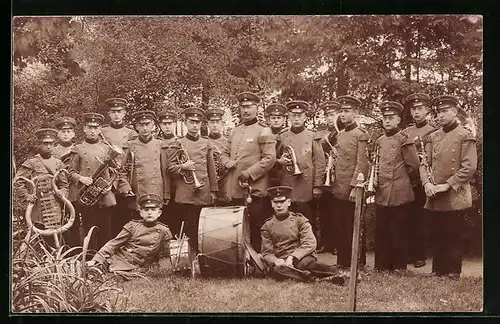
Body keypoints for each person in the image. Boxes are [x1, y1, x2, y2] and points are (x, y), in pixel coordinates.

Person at [420, 95, 477, 279]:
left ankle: (453, 271)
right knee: (437, 232)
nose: (441, 115)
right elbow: (424, 163)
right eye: (439, 112)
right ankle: (438, 270)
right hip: (434, 191)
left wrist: (448, 184)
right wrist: (426, 183)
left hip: (454, 192)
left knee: (453, 232)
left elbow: (469, 167)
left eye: (445, 111)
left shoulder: (465, 135)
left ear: (455, 112)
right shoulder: (433, 136)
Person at [219, 91, 276, 253]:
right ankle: (238, 260)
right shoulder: (234, 131)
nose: (246, 110)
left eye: (250, 106)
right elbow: (223, 153)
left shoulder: (264, 131)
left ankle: (258, 260)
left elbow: (270, 159)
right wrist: (226, 161)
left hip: (254, 190)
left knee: (256, 226)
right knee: (236, 228)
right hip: (234, 190)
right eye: (243, 106)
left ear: (257, 108)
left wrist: (249, 173)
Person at [260, 186, 347, 284]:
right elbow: (267, 252)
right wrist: (275, 260)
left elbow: (310, 243)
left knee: (306, 264)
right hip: (282, 261)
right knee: (277, 271)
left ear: (288, 202)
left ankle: (337, 273)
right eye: (276, 202)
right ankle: (316, 279)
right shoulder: (267, 226)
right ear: (272, 204)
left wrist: (292, 257)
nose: (279, 205)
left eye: (282, 202)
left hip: (300, 257)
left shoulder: (300, 220)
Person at [373, 101, 420, 272]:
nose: (387, 121)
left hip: (400, 191)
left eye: (391, 118)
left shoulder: (404, 139)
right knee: (382, 229)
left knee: (399, 230)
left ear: (398, 120)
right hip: (382, 190)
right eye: (385, 118)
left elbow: (414, 165)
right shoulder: (379, 140)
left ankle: (399, 265)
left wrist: (401, 180)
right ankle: (382, 265)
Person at [166, 107, 218, 251]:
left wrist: (213, 190)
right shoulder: (178, 143)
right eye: (192, 122)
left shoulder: (206, 142)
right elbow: (170, 168)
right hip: (185, 191)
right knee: (186, 225)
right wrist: (183, 166)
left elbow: (211, 168)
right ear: (185, 123)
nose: (195, 125)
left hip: (203, 190)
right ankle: (184, 256)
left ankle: (202, 254)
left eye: (198, 122)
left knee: (203, 226)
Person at [86, 194, 173, 274]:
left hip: (140, 265)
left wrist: (164, 269)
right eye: (146, 210)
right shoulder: (132, 226)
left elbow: (165, 254)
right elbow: (114, 244)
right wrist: (97, 259)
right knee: (95, 269)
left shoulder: (164, 230)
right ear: (141, 213)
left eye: (153, 210)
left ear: (159, 213)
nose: (149, 213)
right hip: (122, 259)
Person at [66, 113, 117, 250]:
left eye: (96, 127)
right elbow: (70, 172)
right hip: (87, 196)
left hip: (105, 195)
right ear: (84, 129)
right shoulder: (78, 148)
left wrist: (110, 185)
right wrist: (81, 178)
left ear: (100, 129)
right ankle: (90, 257)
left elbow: (115, 171)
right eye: (90, 127)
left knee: (106, 229)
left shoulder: (106, 148)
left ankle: (104, 259)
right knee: (90, 229)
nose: (93, 131)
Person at [275, 100, 325, 233]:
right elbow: (275, 159)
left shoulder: (312, 136)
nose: (296, 118)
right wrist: (280, 161)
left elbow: (320, 162)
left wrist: (317, 185)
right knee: (288, 221)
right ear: (289, 117)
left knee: (308, 220)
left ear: (305, 117)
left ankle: (310, 248)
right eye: (293, 115)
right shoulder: (283, 136)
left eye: (300, 115)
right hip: (288, 184)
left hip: (307, 185)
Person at [14, 128, 69, 247]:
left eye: (51, 144)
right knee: (39, 237)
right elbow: (18, 181)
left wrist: (62, 193)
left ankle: (56, 260)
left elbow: (64, 184)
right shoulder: (31, 163)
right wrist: (27, 196)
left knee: (56, 236)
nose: (48, 147)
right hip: (38, 207)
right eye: (45, 144)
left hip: (55, 206)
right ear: (39, 145)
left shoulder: (58, 163)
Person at [331, 95, 369, 268]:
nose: (343, 115)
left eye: (347, 111)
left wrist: (355, 187)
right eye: (342, 111)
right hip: (339, 187)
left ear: (356, 113)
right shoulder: (340, 135)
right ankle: (343, 261)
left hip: (352, 188)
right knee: (340, 225)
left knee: (353, 226)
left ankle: (357, 262)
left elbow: (362, 162)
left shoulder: (360, 135)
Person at [117, 110, 171, 231]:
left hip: (156, 191)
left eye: (147, 124)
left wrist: (166, 193)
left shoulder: (160, 144)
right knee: (138, 228)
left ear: (153, 125)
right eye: (141, 125)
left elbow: (165, 171)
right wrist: (126, 188)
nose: (145, 128)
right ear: (136, 126)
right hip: (137, 193)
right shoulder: (130, 145)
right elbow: (121, 171)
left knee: (158, 228)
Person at [402, 93, 436, 268]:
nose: (416, 112)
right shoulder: (406, 131)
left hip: (423, 179)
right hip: (407, 179)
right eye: (413, 109)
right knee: (407, 217)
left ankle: (419, 255)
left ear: (427, 111)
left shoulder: (433, 131)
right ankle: (408, 253)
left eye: (420, 109)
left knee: (420, 218)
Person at [316, 100, 343, 254]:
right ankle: (327, 243)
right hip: (325, 175)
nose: (329, 119)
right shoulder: (321, 134)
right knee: (325, 212)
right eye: (327, 116)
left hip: (339, 178)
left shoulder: (343, 132)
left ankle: (338, 245)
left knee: (338, 212)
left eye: (332, 115)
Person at [156, 108, 179, 232]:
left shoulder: (180, 142)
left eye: (170, 123)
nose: (167, 126)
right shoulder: (156, 142)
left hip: (178, 185)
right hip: (161, 184)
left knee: (178, 215)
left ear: (175, 124)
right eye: (164, 124)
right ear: (160, 125)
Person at [205, 107, 230, 204]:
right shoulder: (203, 142)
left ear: (222, 124)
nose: (215, 125)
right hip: (209, 184)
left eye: (217, 122)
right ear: (207, 124)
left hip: (226, 184)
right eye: (212, 122)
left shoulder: (229, 142)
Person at [265, 102, 287, 187]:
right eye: (273, 118)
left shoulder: (288, 134)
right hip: (266, 175)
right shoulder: (264, 135)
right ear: (269, 119)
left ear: (284, 119)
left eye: (279, 117)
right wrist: (278, 161)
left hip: (284, 175)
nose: (276, 120)